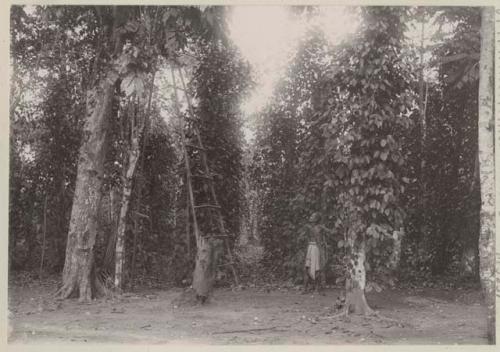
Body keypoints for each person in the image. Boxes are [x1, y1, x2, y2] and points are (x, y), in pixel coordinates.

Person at [303, 213, 332, 293]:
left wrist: (324, 243)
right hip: (310, 247)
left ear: (316, 219)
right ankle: (305, 288)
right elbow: (305, 237)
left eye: (312, 216)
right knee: (307, 268)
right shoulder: (308, 227)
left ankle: (317, 288)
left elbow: (330, 232)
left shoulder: (320, 227)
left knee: (317, 268)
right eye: (311, 216)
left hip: (316, 248)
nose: (310, 217)